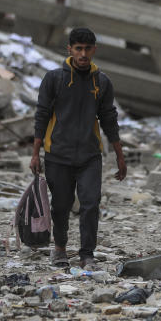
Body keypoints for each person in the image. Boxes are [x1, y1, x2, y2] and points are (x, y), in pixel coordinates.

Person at [31, 27, 126, 269]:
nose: (83, 54)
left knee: (90, 203)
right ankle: (60, 248)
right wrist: (35, 153)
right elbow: (41, 115)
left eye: (87, 49)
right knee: (61, 205)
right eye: (78, 49)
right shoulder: (54, 79)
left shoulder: (102, 82)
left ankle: (87, 254)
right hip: (57, 154)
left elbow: (109, 119)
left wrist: (120, 156)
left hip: (89, 155)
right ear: (70, 50)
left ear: (94, 50)